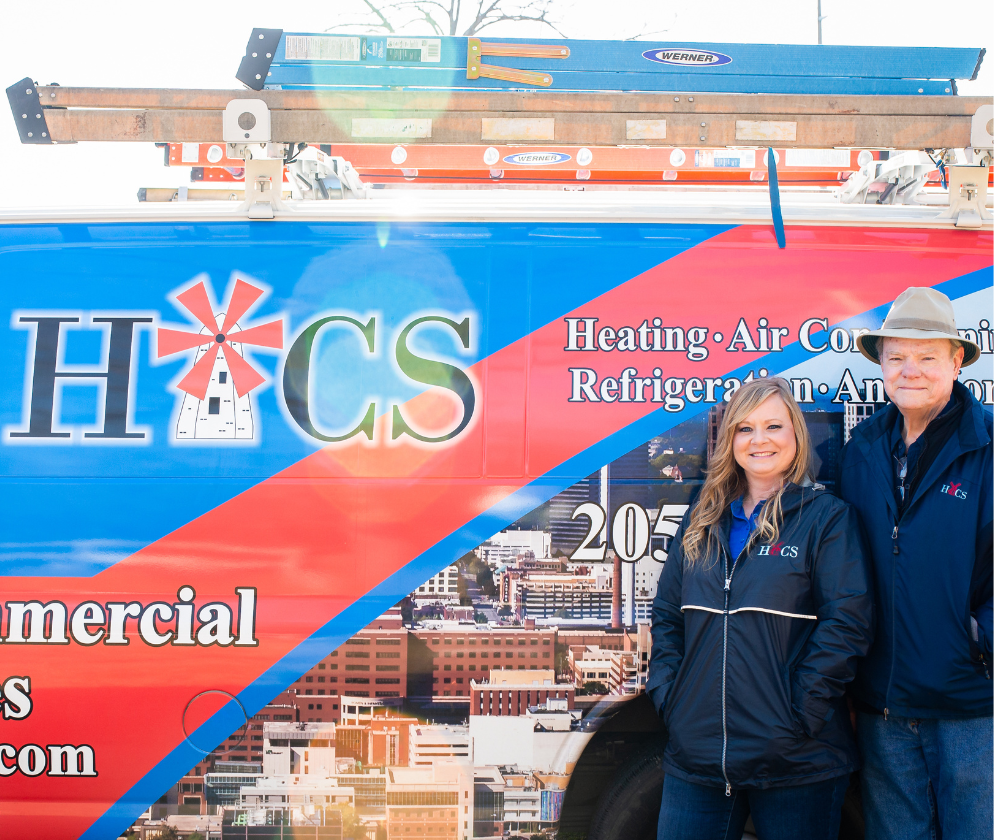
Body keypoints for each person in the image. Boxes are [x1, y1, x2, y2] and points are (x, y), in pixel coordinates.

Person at [648, 376, 873, 840]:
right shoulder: (702, 519)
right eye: (745, 429)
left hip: (795, 758)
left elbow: (847, 625)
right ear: (730, 440)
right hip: (699, 757)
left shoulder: (826, 518)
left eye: (774, 426)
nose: (759, 440)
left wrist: (798, 715)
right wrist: (672, 699)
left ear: (796, 435)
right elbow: (668, 616)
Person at [842, 286, 993, 840]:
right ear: (881, 363)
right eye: (897, 356)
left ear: (956, 361)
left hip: (972, 703)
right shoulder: (862, 448)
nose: (911, 370)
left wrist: (980, 639)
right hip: (884, 703)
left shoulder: (990, 443)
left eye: (927, 356)